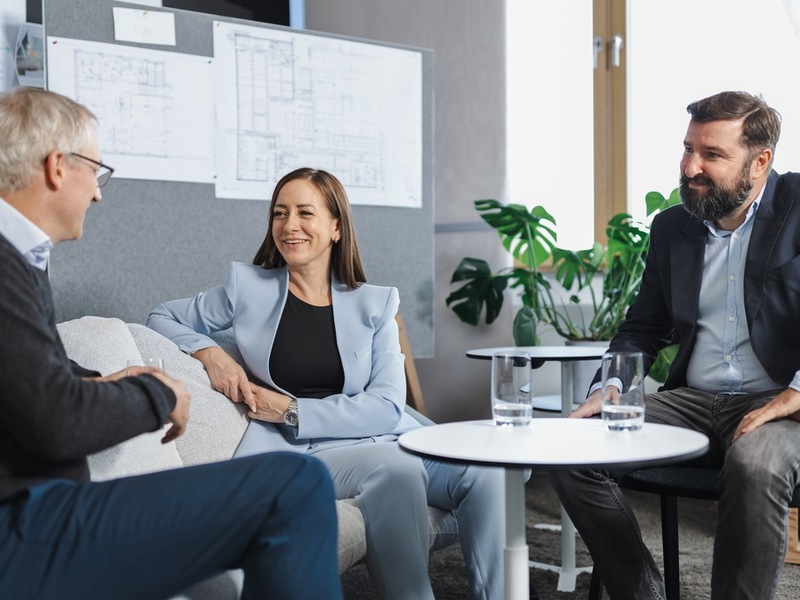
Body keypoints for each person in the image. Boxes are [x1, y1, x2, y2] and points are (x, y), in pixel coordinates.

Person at [0, 87, 342, 600]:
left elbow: (33, 373)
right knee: (297, 485)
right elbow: (56, 421)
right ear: (56, 167)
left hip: (41, 512)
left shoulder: (19, 260)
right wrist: (164, 393)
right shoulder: (6, 265)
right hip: (28, 527)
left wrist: (108, 380)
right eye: (96, 170)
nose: (97, 192)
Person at [147, 167, 510, 600]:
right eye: (280, 213)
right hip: (308, 450)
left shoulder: (375, 303)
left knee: (489, 471)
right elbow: (160, 317)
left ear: (336, 227)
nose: (289, 225)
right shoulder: (248, 287)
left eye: (305, 212)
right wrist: (213, 355)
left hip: (383, 435)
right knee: (396, 468)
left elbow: (388, 405)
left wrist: (292, 410)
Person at [548, 90, 800, 600]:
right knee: (570, 447)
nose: (691, 168)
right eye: (688, 149)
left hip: (776, 402)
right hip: (691, 399)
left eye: (712, 155)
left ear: (761, 161)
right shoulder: (671, 227)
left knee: (754, 464)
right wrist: (614, 383)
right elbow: (644, 326)